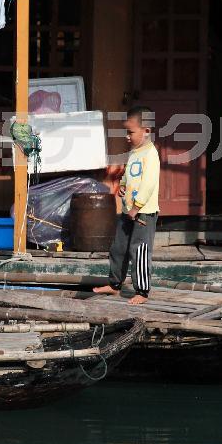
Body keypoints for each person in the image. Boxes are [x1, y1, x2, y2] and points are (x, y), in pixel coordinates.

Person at [94, 106, 161, 305]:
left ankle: (142, 291)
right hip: (127, 211)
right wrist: (122, 187)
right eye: (126, 132)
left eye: (131, 132)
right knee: (118, 248)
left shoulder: (151, 154)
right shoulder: (134, 152)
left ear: (146, 131)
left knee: (138, 250)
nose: (127, 137)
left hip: (143, 213)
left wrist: (136, 207)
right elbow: (128, 175)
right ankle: (115, 284)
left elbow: (148, 184)